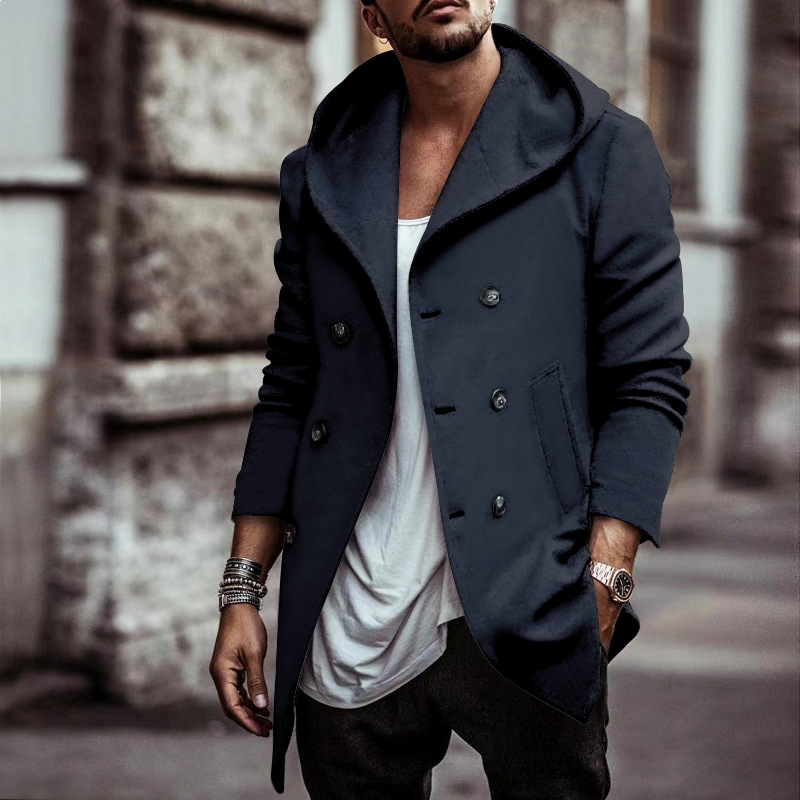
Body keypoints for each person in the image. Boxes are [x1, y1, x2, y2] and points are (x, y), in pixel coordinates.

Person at [209, 1, 693, 798]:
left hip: (528, 590)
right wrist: (241, 591)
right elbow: (293, 385)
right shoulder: (322, 173)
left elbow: (647, 378)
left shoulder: (603, 150)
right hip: (350, 602)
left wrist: (606, 576)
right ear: (373, 14)